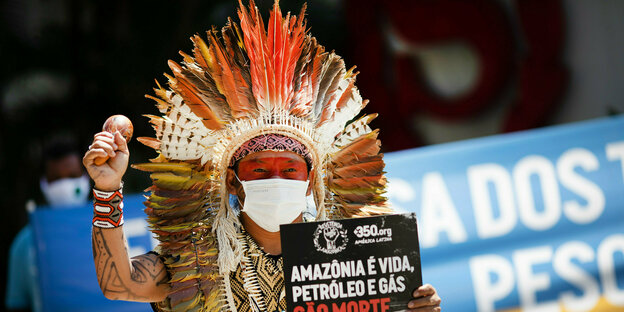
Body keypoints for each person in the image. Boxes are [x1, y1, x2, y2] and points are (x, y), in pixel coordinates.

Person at [82, 1, 442, 311]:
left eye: (289, 168)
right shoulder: (198, 258)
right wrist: (108, 189)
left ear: (310, 180)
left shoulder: (348, 260)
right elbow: (119, 284)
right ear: (232, 181)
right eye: (259, 168)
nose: (276, 179)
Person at [6, 136, 90, 312]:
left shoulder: (118, 227)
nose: (65, 186)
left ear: (86, 176)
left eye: (72, 176)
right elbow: (18, 305)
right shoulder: (24, 244)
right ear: (44, 183)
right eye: (56, 179)